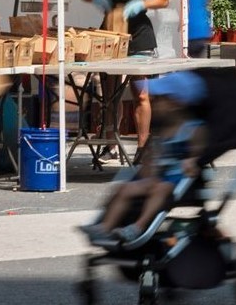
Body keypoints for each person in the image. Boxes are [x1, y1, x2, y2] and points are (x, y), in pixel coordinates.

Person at [81, 70, 207, 246]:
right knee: (125, 188)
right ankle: (105, 227)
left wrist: (193, 159)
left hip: (177, 181)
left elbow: (199, 153)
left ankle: (137, 227)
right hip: (157, 177)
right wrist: (149, 162)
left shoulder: (193, 130)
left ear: (175, 103)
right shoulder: (163, 130)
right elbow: (154, 156)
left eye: (160, 99)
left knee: (161, 189)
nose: (154, 102)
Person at [77, 0, 169, 150]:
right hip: (110, 36)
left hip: (140, 37)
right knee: (110, 95)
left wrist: (142, 3)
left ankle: (142, 146)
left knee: (141, 95)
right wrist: (97, 0)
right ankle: (110, 142)